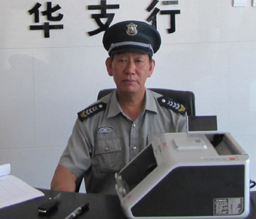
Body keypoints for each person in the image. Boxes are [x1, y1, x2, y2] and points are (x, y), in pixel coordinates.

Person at [50, 20, 188, 194]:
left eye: (138, 61)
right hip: (106, 207)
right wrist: (62, 198)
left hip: (159, 206)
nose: (130, 69)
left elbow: (190, 174)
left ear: (151, 68)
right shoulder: (90, 121)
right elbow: (67, 172)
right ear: (110, 66)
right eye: (122, 60)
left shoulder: (175, 117)